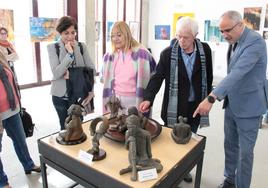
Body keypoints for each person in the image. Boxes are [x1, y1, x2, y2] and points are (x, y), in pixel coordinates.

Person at [193, 10, 267, 188]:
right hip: (232, 104)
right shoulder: (234, 40)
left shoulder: (255, 42)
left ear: (241, 24)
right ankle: (229, 180)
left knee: (245, 154)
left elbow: (237, 73)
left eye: (227, 30)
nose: (224, 35)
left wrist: (211, 98)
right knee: (230, 146)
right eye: (221, 31)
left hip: (249, 108)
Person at [139, 16, 213, 183]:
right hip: (174, 107)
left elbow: (208, 76)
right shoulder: (167, 54)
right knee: (171, 143)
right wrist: (148, 98)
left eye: (185, 37)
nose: (181, 40)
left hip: (195, 106)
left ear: (195, 35)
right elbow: (157, 78)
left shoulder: (205, 51)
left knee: (189, 141)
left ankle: (185, 169)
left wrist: (208, 99)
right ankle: (171, 172)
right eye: (178, 35)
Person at [0, 51, 41, 188]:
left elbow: (12, 82)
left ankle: (28, 165)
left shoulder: (1, 55)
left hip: (12, 109)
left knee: (20, 139)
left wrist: (18, 103)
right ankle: (2, 181)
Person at [47, 16, 95, 130]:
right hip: (60, 96)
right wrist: (69, 54)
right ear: (60, 33)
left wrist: (91, 91)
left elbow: (91, 70)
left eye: (73, 33)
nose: (70, 36)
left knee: (79, 127)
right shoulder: (52, 47)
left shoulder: (81, 46)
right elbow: (57, 73)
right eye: (66, 33)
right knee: (65, 129)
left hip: (79, 94)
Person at [101, 21, 156, 116]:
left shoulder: (141, 53)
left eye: (119, 35)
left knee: (135, 127)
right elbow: (103, 78)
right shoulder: (109, 56)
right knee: (116, 128)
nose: (115, 39)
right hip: (116, 100)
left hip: (136, 99)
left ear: (127, 35)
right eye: (113, 36)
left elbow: (154, 74)